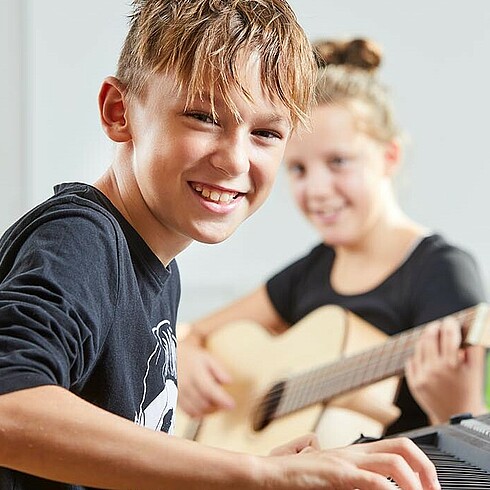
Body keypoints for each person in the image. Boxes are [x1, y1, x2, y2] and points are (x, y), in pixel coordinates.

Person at [0, 3, 442, 490]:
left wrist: (261, 470)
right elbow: (8, 404)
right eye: (203, 117)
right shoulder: (82, 241)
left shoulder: (156, 264)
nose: (235, 160)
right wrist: (257, 475)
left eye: (266, 133)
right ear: (118, 111)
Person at [177, 37, 488, 440]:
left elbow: (470, 442)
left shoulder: (440, 271)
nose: (318, 189)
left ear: (389, 157)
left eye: (338, 162)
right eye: (299, 169)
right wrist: (183, 356)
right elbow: (191, 332)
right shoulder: (312, 271)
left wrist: (456, 410)